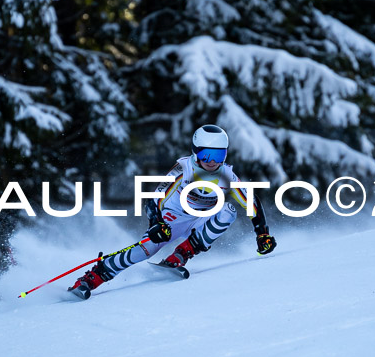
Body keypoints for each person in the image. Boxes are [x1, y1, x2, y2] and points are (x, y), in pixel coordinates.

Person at [69, 124, 277, 299]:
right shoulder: (184, 169)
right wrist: (156, 224)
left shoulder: (227, 175)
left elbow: (251, 202)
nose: (212, 161)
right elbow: (156, 197)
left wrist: (262, 234)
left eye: (219, 155)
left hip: (201, 218)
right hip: (174, 216)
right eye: (206, 154)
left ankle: (181, 254)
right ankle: (91, 278)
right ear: (195, 152)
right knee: (147, 249)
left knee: (228, 211)